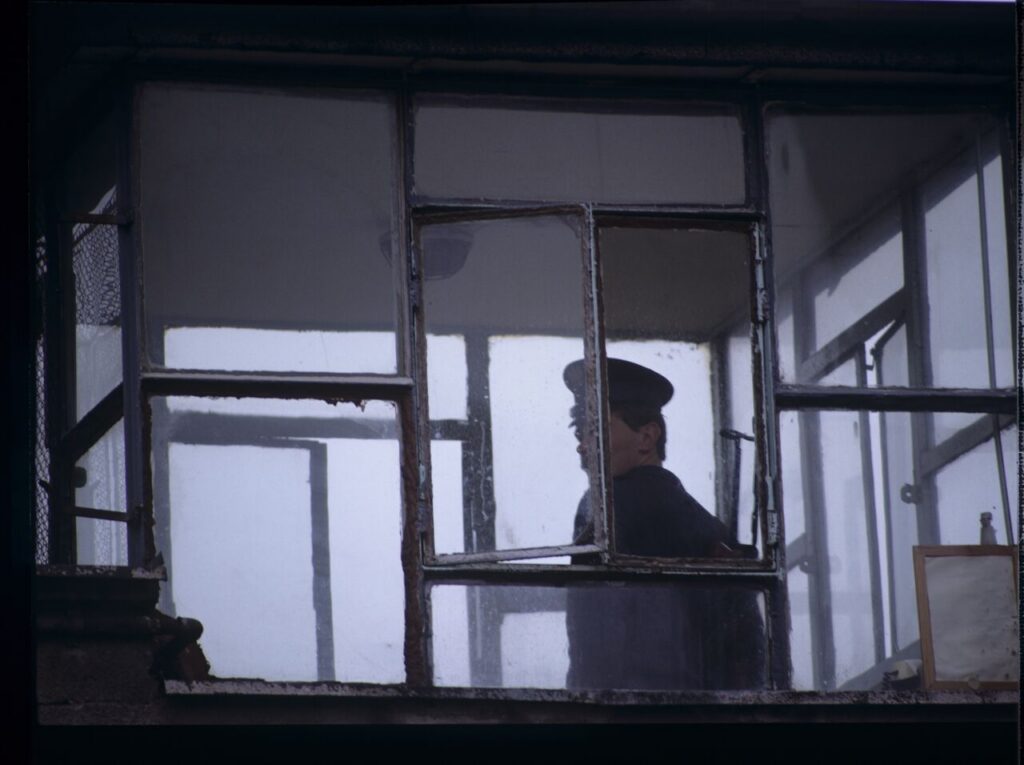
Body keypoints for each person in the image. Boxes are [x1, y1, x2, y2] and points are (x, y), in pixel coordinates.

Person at [562, 357, 765, 690]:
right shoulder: (709, 527)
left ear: (647, 437)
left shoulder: (606, 506)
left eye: (596, 429)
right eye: (580, 431)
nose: (582, 445)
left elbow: (596, 647)